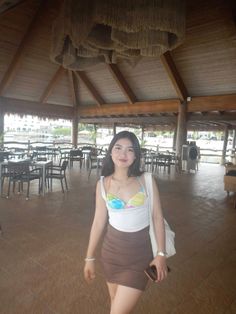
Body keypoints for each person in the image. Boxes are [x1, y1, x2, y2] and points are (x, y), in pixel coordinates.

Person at [84, 131, 168, 314]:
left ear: (136, 155)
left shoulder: (146, 180)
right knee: (114, 302)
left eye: (130, 150)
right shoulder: (102, 184)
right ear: (110, 152)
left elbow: (157, 217)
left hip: (139, 258)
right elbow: (98, 222)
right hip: (111, 255)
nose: (123, 154)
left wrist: (161, 253)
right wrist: (89, 257)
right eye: (118, 148)